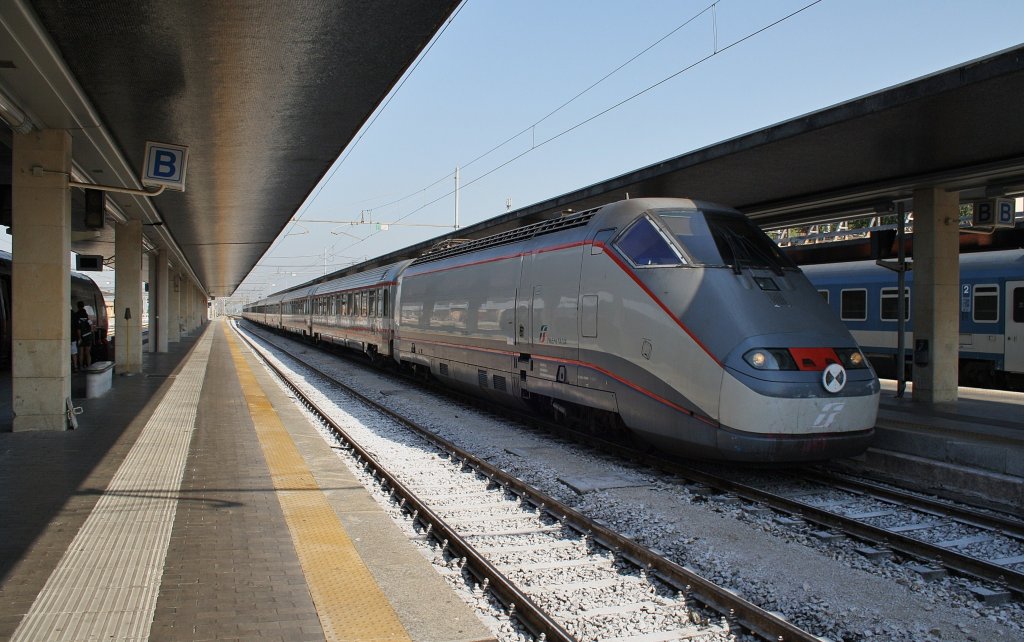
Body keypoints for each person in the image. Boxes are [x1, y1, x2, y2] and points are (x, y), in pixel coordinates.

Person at [75, 301, 93, 368]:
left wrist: (79, 338)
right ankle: (89, 366)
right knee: (88, 353)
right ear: (83, 306)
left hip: (81, 337)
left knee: (81, 353)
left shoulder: (77, 316)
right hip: (88, 336)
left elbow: (78, 329)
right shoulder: (86, 316)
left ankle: (81, 366)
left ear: (77, 306)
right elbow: (91, 327)